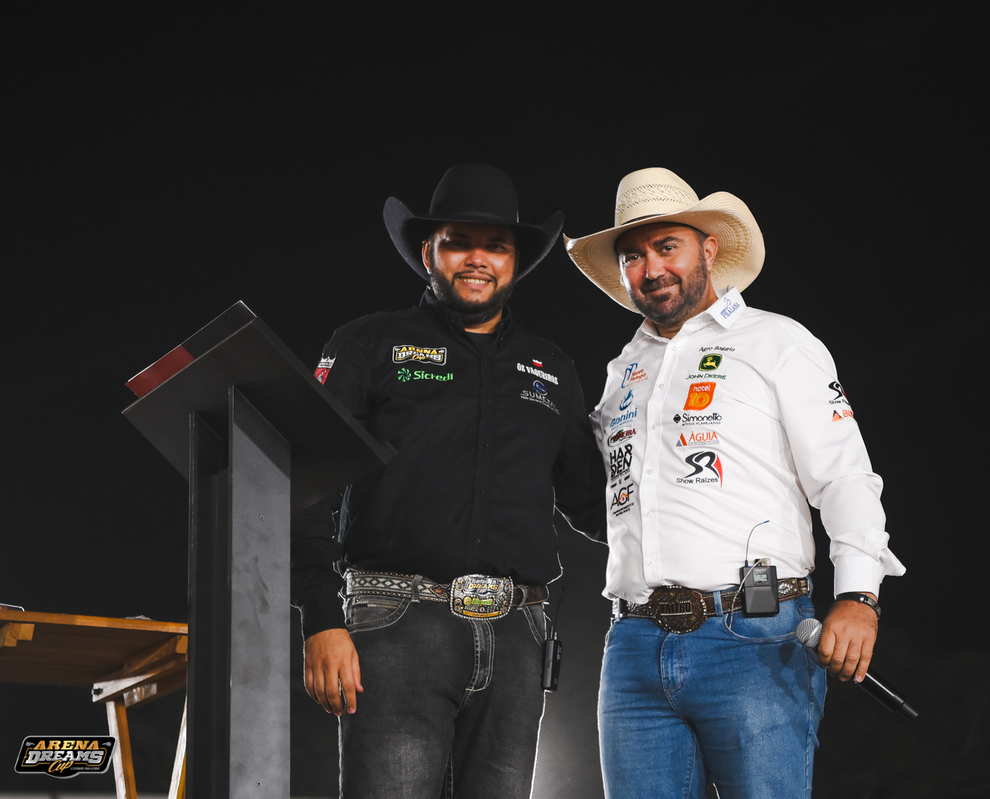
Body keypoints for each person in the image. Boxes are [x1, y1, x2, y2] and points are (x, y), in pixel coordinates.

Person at [564, 167, 906, 799]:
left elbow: (845, 474)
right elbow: (603, 498)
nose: (652, 269)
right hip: (632, 642)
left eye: (667, 247)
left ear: (709, 249)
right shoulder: (623, 370)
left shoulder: (778, 341)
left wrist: (860, 595)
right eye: (633, 256)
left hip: (753, 635)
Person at [291, 163, 606, 798]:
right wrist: (321, 619)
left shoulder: (552, 367)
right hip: (397, 624)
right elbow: (303, 488)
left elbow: (596, 504)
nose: (477, 259)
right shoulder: (368, 344)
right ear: (428, 252)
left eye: (496, 246)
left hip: (519, 634)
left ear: (516, 262)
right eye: (459, 242)